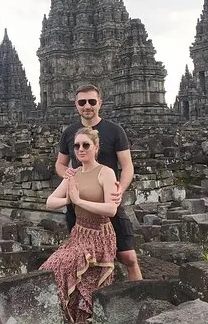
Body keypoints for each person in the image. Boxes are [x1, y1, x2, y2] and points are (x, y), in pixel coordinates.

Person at [56, 84, 143, 281]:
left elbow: (127, 166)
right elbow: (60, 164)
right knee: (83, 259)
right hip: (80, 208)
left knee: (128, 257)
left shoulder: (114, 130)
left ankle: (140, 295)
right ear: (76, 105)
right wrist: (70, 178)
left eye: (92, 101)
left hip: (107, 201)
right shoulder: (70, 133)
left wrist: (120, 189)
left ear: (100, 103)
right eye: (82, 102)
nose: (87, 106)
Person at [40, 127, 119, 323]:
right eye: (76, 146)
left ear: (96, 147)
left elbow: (111, 209)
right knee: (50, 268)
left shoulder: (105, 173)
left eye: (86, 145)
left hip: (100, 237)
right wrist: (69, 199)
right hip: (78, 235)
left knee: (64, 265)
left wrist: (79, 201)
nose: (81, 149)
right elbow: (50, 202)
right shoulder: (73, 174)